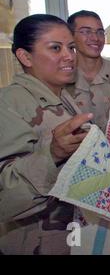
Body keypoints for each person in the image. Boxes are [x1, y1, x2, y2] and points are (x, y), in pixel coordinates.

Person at [0, 14, 93, 254]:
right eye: (55, 48)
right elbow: (5, 195)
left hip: (70, 236)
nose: (69, 56)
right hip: (36, 243)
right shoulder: (9, 104)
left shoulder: (62, 96)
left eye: (71, 47)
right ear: (25, 56)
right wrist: (52, 154)